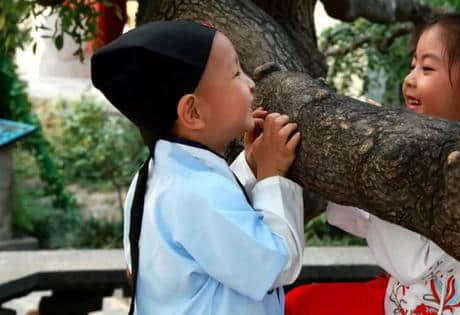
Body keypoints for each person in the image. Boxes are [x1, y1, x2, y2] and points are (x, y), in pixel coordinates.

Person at [285, 8, 460, 315]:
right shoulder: (431, 149)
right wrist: (356, 145)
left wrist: (374, 156)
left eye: (427, 69)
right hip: (406, 303)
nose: (409, 80)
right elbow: (372, 221)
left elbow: (410, 262)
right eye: (413, 65)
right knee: (302, 303)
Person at [91, 20, 304, 315]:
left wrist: (251, 166)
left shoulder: (159, 175)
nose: (251, 83)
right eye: (236, 73)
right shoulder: (194, 192)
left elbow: (219, 224)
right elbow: (275, 265)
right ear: (192, 111)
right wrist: (271, 177)